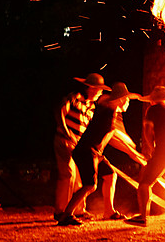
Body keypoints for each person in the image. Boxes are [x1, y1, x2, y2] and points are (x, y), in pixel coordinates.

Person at [57, 82, 144, 226]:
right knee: (90, 185)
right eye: (127, 100)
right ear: (122, 99)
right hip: (87, 151)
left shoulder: (111, 112)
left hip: (95, 152)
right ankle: (66, 215)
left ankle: (109, 211)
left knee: (110, 175)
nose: (128, 103)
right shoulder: (108, 114)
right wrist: (132, 153)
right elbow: (112, 138)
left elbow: (112, 136)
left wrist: (132, 152)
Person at [127, 85, 165, 227]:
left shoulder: (152, 110)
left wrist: (151, 148)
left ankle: (142, 217)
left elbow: (147, 130)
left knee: (145, 182)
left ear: (152, 101)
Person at [53, 72, 109, 221]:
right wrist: (66, 131)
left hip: (78, 144)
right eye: (99, 90)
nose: (101, 93)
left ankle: (78, 210)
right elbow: (60, 111)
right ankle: (60, 211)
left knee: (80, 177)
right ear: (91, 88)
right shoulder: (75, 97)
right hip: (64, 140)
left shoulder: (91, 106)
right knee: (67, 174)